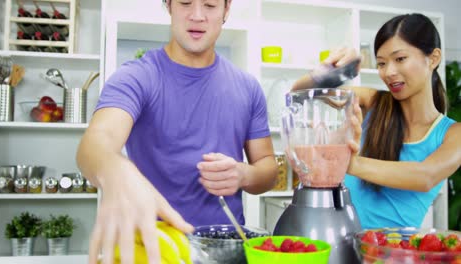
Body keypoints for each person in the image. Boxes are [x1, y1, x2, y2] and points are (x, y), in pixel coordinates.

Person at [76, 0, 278, 263]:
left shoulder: (248, 88)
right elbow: (95, 145)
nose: (197, 16)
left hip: (227, 253)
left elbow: (269, 170)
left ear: (226, 10)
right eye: (185, 3)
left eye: (209, 5)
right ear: (168, 5)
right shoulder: (136, 77)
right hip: (154, 252)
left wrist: (243, 174)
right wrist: (115, 168)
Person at [292, 13, 461, 230]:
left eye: (400, 59)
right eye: (381, 63)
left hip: (391, 254)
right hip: (339, 243)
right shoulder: (374, 102)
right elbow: (301, 93)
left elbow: (425, 176)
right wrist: (333, 72)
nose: (389, 72)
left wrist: (349, 163)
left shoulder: (452, 133)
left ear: (433, 58)